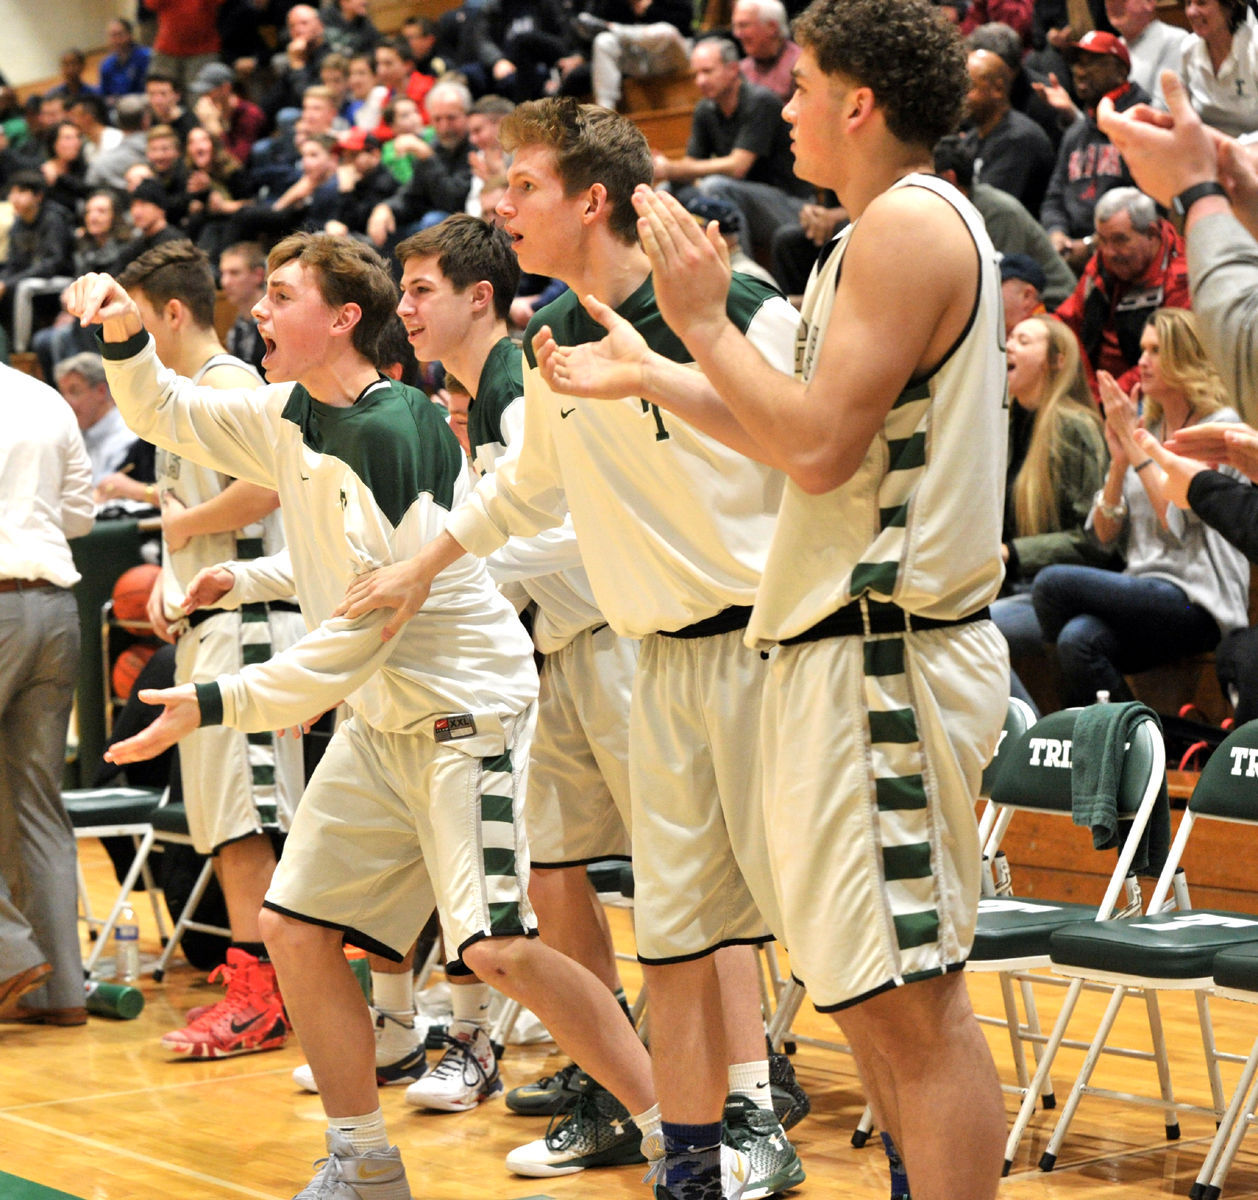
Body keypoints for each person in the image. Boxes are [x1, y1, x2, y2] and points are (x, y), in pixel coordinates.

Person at [523, 0, 1012, 1192]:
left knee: (912, 1008)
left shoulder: (904, 227)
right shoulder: (875, 233)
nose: (778, 106)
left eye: (799, 87)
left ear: (857, 104)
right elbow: (781, 426)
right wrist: (654, 369)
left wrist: (695, 323)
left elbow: (815, 452)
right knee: (871, 998)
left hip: (885, 652)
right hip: (841, 656)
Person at [68, 230, 656, 1200]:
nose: (256, 310)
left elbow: (367, 625)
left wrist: (216, 703)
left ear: (342, 319)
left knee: (497, 946)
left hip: (464, 710)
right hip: (388, 716)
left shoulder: (398, 430)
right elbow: (169, 412)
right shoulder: (282, 411)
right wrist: (126, 333)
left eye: (280, 295)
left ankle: (669, 1131)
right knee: (296, 926)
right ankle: (362, 1160)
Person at [338, 96, 805, 1200]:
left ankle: (762, 1107)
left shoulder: (734, 300)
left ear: (592, 199)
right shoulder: (562, 330)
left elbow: (810, 444)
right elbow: (518, 494)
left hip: (755, 645)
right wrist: (419, 566)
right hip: (646, 652)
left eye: (523, 186)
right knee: (674, 927)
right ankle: (687, 1144)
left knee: (777, 934)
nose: (499, 205)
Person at [116, 239, 306, 1058]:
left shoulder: (229, 383)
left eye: (131, 318)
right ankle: (267, 981)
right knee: (229, 820)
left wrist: (175, 528)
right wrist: (172, 575)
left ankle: (263, 995)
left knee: (249, 819)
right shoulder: (189, 394)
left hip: (252, 624)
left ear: (172, 312)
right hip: (214, 621)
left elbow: (269, 487)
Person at [1033, 307, 1251, 705]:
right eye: (1141, 349)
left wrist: (1135, 450)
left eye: (1155, 350)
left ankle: (1069, 727)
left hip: (1200, 600)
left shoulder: (1219, 429)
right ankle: (1142, 746)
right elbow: (1103, 535)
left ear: (1186, 358)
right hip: (1144, 593)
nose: (1142, 361)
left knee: (1052, 584)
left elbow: (1178, 525)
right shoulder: (1145, 432)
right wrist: (1119, 460)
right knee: (1076, 640)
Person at [0, 359, 94, 1027]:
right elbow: (81, 517)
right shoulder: (44, 399)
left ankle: (8, 955)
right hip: (56, 608)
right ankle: (59, 991)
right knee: (37, 800)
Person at [997, 315, 1112, 707]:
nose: (1009, 345)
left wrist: (1013, 552)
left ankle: (1030, 744)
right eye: (1009, 338)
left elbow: (1095, 542)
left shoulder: (1075, 426)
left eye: (1023, 340)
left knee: (975, 635)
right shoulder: (1003, 423)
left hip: (1057, 594)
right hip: (1009, 587)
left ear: (1057, 360)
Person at [652, 36, 810, 259]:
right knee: (666, 191)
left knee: (716, 187)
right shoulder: (705, 109)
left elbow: (738, 166)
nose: (700, 81)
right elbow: (691, 164)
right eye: (696, 74)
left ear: (733, 69)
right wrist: (667, 170)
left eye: (707, 72)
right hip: (740, 201)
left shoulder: (761, 101)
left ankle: (741, 274)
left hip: (791, 205)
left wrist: (669, 168)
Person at [1054, 186, 1190, 395]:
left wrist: (1106, 396)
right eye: (1102, 240)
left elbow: (1169, 358)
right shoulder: (1102, 262)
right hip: (1097, 390)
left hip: (1152, 393)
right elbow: (1066, 321)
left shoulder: (1180, 277)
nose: (1109, 252)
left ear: (1152, 234)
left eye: (1120, 240)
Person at [1042, 31, 1150, 274]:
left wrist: (1093, 245)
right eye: (1077, 63)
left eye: (1092, 63)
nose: (1080, 71)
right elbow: (1054, 198)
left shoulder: (1142, 126)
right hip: (1072, 252)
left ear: (1121, 72)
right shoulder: (1075, 133)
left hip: (1126, 257)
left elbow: (1151, 208)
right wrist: (1057, 235)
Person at [964, 46, 1055, 215]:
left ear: (998, 90)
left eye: (969, 88)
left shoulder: (1020, 139)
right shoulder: (970, 140)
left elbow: (990, 209)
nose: (962, 96)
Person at [572, 0, 693, 112]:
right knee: (603, 41)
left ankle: (614, 28)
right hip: (641, 60)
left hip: (672, 55)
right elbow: (590, 29)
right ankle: (604, 114)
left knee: (666, 32)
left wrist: (650, 9)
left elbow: (685, 22)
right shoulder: (614, 4)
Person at [53, 351, 140, 484]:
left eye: (74, 391)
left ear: (101, 391)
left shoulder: (129, 438)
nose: (66, 402)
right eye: (63, 394)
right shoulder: (74, 435)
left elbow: (106, 494)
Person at [1180, 0, 1258, 138]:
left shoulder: (1254, 46)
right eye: (1188, 4)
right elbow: (1183, 117)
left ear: (1230, 6)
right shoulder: (1188, 49)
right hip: (1207, 151)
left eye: (1201, 3)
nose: (1191, 12)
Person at [1105, 0, 1188, 108]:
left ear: (1149, 2)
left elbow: (1164, 111)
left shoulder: (1174, 40)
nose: (1113, 4)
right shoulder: (1113, 47)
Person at [732, 0, 801, 102]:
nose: (737, 34)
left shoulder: (800, 64)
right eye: (735, 26)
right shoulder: (741, 70)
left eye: (744, 25)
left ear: (772, 27)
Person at [220, 241, 268, 373]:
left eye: (234, 273)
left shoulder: (277, 321)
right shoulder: (237, 328)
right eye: (223, 273)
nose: (225, 282)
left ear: (258, 275)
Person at [99, 17, 153, 100]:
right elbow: (104, 94)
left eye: (120, 34)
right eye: (113, 35)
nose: (116, 40)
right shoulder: (106, 64)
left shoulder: (146, 56)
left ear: (130, 35)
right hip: (116, 106)